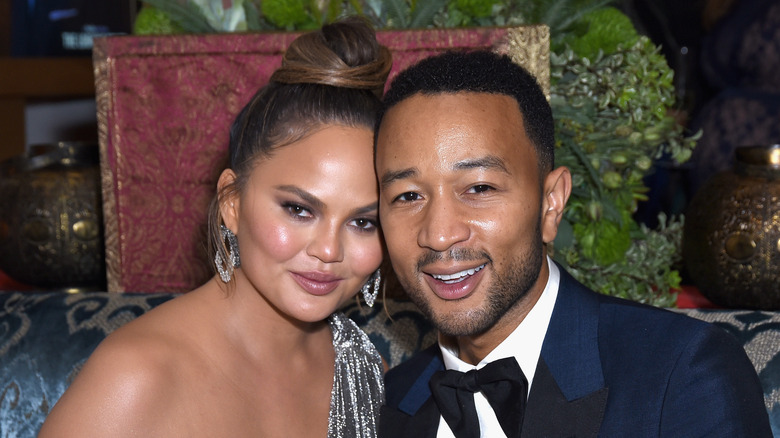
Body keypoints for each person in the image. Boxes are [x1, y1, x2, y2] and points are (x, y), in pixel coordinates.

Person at [374, 50, 771, 437]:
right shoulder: (386, 404)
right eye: (407, 196)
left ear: (551, 204)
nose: (439, 234)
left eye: (479, 187)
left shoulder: (681, 376)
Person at [39, 18, 392, 438]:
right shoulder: (136, 376)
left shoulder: (365, 371)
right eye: (299, 210)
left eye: (362, 222)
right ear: (232, 203)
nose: (329, 250)